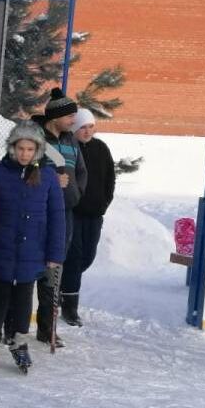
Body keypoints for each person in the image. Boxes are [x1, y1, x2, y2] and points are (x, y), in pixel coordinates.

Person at [0, 122, 65, 373]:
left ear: (37, 150)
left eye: (29, 148)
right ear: (12, 148)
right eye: (20, 148)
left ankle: (19, 341)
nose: (24, 153)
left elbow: (57, 216)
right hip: (2, 246)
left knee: (24, 298)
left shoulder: (46, 176)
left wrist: (54, 253)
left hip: (32, 249)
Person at [31, 88, 86, 346]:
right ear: (55, 116)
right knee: (29, 266)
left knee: (54, 268)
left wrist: (75, 193)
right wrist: (50, 181)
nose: (73, 120)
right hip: (37, 212)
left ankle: (47, 328)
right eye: (69, 115)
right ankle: (14, 326)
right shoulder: (33, 137)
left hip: (64, 213)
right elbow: (21, 172)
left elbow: (81, 172)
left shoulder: (71, 141)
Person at [60, 108, 115, 327]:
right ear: (74, 128)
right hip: (73, 213)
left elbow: (110, 178)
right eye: (82, 127)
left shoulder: (101, 148)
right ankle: (69, 307)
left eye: (90, 126)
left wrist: (105, 202)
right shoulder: (69, 149)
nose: (87, 131)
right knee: (74, 257)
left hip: (94, 214)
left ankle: (65, 288)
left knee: (87, 257)